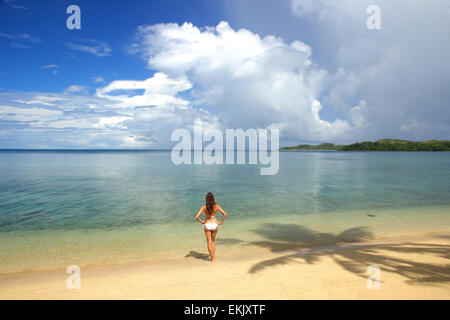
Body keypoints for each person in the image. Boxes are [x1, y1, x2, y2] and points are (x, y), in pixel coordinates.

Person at [195, 192, 227, 262]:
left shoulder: (204, 207)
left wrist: (202, 222)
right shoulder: (216, 206)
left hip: (207, 224)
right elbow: (225, 214)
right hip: (215, 224)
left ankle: (212, 258)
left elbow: (196, 217)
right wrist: (220, 222)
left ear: (206, 199)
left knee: (209, 241)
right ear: (213, 199)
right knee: (212, 241)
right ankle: (213, 258)